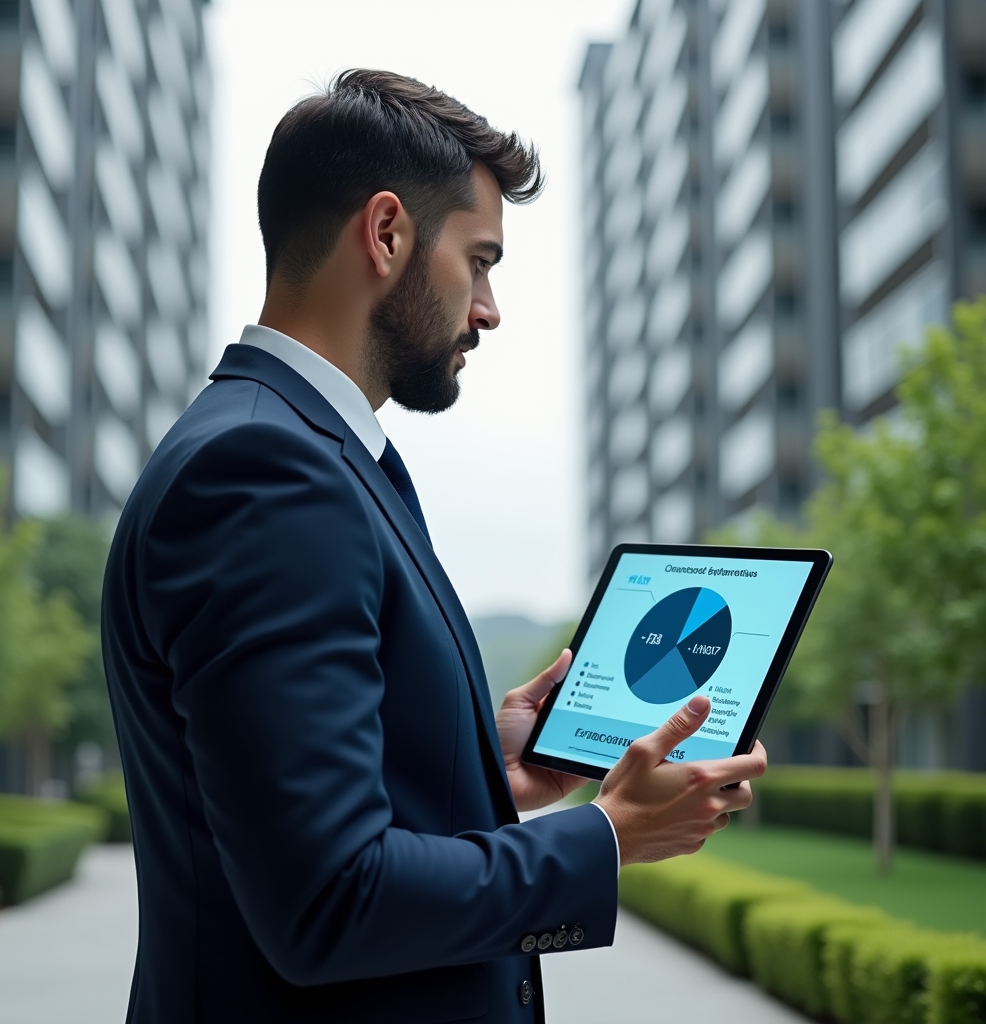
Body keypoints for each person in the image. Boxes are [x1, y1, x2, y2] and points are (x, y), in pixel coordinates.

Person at [101, 69, 766, 1024]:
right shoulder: (264, 474)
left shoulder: (305, 454)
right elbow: (329, 903)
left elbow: (278, 807)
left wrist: (479, 765)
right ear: (386, 235)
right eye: (481, 260)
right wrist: (607, 837)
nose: (489, 309)